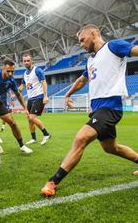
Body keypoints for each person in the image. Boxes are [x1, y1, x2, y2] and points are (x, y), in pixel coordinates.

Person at [41, 24, 138, 197]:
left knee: (80, 139)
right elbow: (81, 80)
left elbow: (135, 50)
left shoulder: (113, 46)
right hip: (98, 109)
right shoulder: (91, 60)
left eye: (82, 40)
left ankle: (53, 181)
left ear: (94, 34)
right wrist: (68, 94)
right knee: (111, 148)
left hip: (110, 106)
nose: (81, 44)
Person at [19, 54, 51, 145]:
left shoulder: (37, 70)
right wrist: (15, 93)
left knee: (32, 117)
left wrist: (45, 96)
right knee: (29, 119)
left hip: (39, 96)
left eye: (28, 60)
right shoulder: (24, 74)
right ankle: (33, 138)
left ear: (32, 61)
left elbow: (44, 82)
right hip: (30, 98)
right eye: (24, 61)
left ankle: (46, 134)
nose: (26, 62)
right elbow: (22, 85)